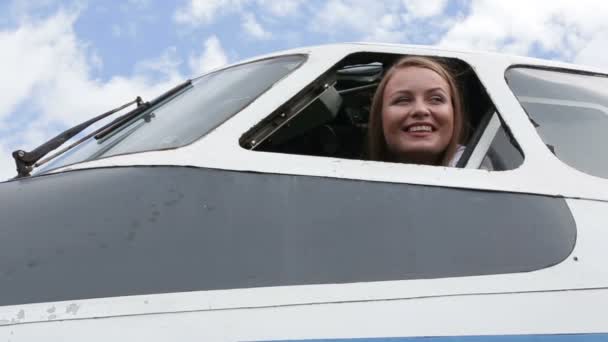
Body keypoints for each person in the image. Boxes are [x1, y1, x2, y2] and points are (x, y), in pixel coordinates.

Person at [367, 56, 468, 167]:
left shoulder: (479, 166)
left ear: (454, 112)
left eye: (436, 99)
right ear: (380, 116)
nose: (420, 110)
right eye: (403, 100)